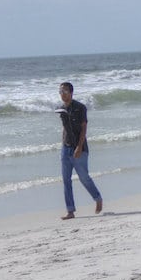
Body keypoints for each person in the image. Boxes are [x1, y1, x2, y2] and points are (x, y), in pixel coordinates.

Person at [56, 82, 103, 220]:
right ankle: (70, 211)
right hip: (65, 148)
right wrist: (63, 144)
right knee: (66, 180)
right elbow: (65, 128)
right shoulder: (61, 108)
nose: (62, 94)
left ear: (71, 92)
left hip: (79, 148)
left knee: (84, 177)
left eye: (64, 91)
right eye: (60, 92)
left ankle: (98, 198)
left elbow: (84, 128)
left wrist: (79, 147)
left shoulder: (80, 108)